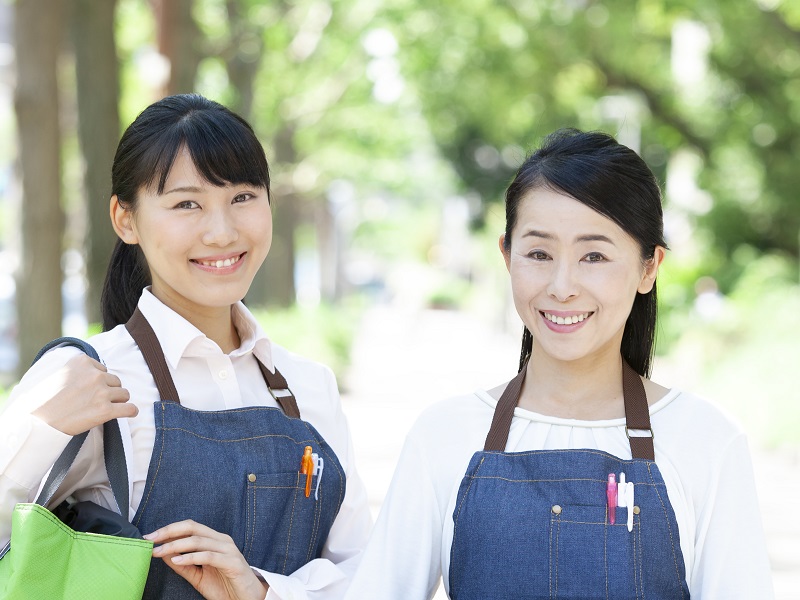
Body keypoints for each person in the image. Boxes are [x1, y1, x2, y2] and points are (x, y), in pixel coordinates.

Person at [345, 129, 774, 599]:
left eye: (594, 255)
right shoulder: (443, 435)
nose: (562, 285)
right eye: (539, 254)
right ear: (507, 256)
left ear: (649, 267)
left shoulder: (706, 441)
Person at [0, 93, 371, 600]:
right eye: (186, 204)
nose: (221, 232)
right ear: (125, 219)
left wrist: (262, 590)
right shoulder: (87, 375)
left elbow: (366, 574)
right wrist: (38, 432)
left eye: (242, 197)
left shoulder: (309, 387)